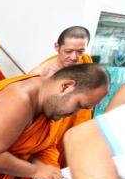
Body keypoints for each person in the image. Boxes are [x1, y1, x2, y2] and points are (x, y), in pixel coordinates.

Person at [30, 26, 93, 166]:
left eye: (80, 51)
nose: (74, 57)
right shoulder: (41, 74)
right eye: (68, 51)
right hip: (53, 125)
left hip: (75, 121)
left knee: (73, 153)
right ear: (57, 47)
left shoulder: (84, 61)